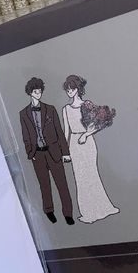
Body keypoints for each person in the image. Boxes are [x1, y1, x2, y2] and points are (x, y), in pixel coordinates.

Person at [62, 74, 119, 224]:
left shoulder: (87, 104)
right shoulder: (66, 109)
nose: (70, 92)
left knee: (92, 175)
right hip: (74, 144)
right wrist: (65, 152)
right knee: (80, 178)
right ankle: (87, 212)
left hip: (87, 143)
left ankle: (103, 208)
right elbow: (66, 132)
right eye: (68, 89)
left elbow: (102, 122)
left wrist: (86, 134)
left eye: (72, 88)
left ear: (78, 89)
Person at [20, 77, 74, 224]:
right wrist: (30, 153)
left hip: (54, 152)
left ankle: (68, 213)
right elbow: (25, 135)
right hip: (37, 154)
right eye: (35, 92)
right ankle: (49, 210)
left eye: (40, 91)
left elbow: (59, 131)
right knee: (44, 185)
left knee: (62, 184)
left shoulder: (50, 109)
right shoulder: (23, 113)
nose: (38, 94)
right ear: (30, 93)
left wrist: (65, 153)